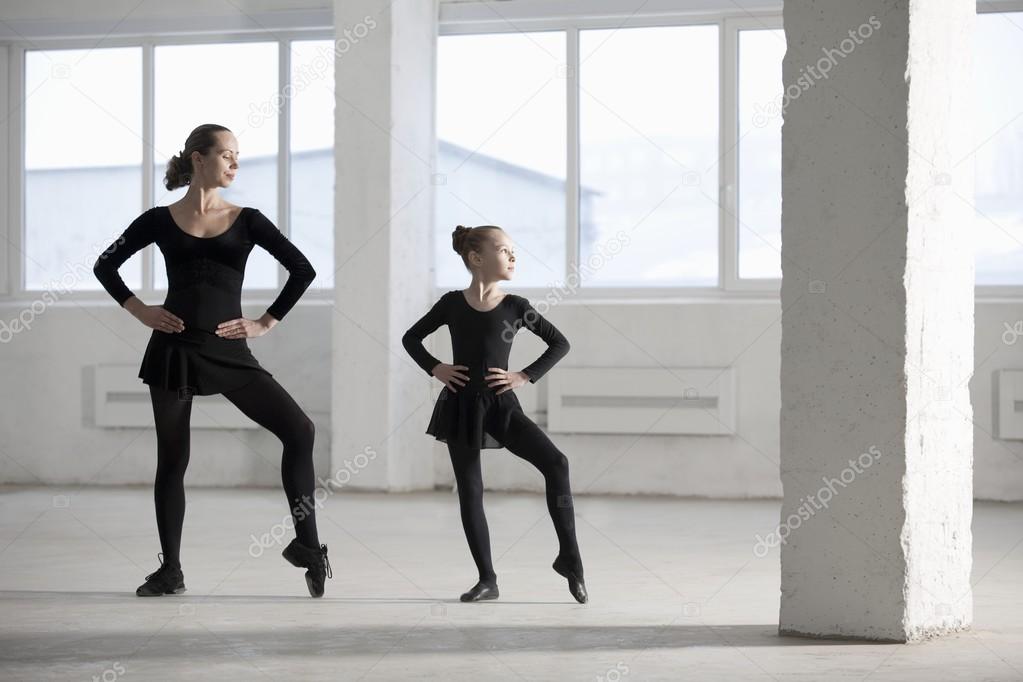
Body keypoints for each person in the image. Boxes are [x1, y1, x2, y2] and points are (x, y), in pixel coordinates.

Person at [93, 123, 331, 598]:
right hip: (174, 352)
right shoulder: (159, 220)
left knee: (299, 430)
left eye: (237, 156)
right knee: (173, 458)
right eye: (227, 154)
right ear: (198, 159)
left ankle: (307, 546)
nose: (235, 163)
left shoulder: (249, 219)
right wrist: (140, 310)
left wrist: (265, 322)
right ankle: (171, 570)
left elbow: (304, 269)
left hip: (228, 351)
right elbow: (105, 264)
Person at [401, 224, 587, 604]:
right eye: (505, 250)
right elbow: (411, 338)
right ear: (477, 258)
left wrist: (523, 375)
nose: (514, 256)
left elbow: (560, 343)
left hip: (501, 405)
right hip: (460, 405)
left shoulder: (516, 306)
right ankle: (487, 579)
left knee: (557, 463)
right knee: (470, 490)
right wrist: (436, 367)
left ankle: (570, 558)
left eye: (513, 250)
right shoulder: (451, 304)